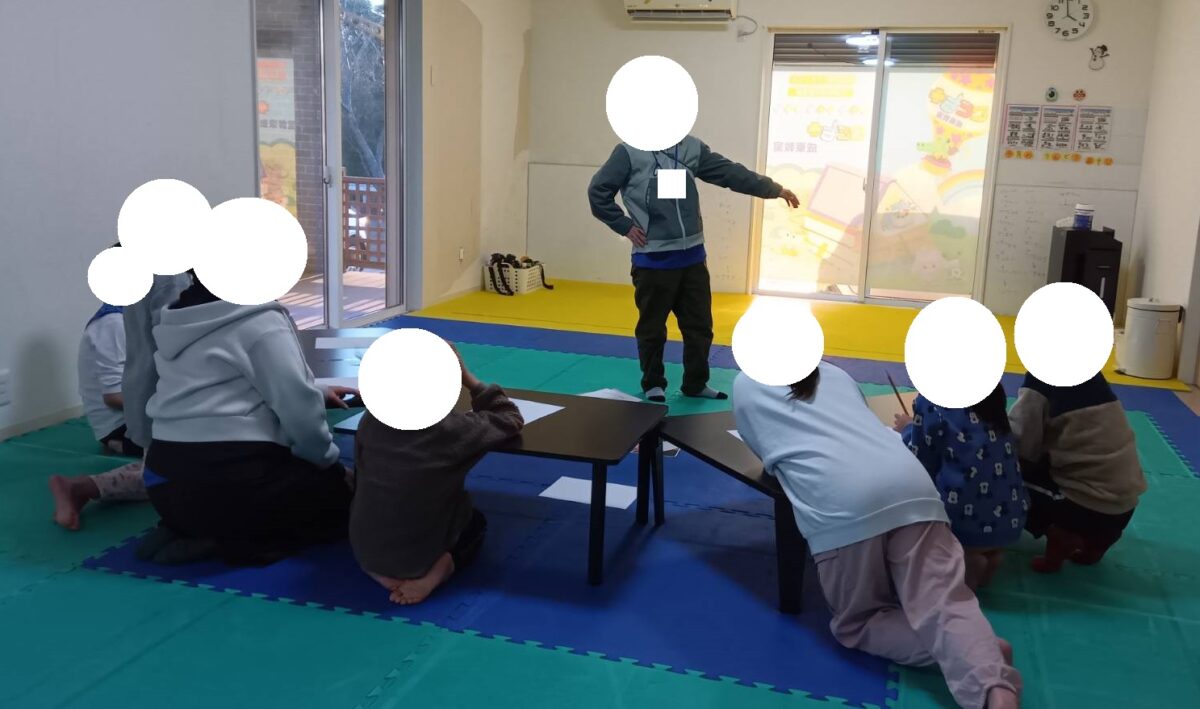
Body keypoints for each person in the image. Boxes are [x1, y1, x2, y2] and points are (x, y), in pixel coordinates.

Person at [733, 362, 1021, 709]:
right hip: (913, 485)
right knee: (944, 602)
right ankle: (985, 668)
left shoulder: (745, 385)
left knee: (859, 622)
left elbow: (766, 455)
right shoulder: (835, 373)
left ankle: (977, 656)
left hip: (845, 505)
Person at [139, 270, 354, 565]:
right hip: (233, 485)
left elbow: (222, 383)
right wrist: (330, 467)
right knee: (345, 505)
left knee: (210, 493)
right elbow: (301, 416)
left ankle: (185, 529)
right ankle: (231, 541)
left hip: (164, 484)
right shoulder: (261, 320)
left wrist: (318, 390)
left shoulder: (177, 317)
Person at [588, 135, 799, 402]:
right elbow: (598, 192)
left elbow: (729, 172)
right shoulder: (629, 152)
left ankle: (696, 383)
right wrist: (624, 225)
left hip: (693, 259)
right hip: (653, 261)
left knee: (700, 327)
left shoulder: (690, 147)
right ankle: (653, 383)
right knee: (652, 329)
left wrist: (773, 189)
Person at [350, 351, 524, 605]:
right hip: (418, 557)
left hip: (365, 552)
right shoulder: (453, 431)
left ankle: (379, 570)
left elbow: (359, 471)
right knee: (475, 521)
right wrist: (470, 380)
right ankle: (440, 569)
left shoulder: (370, 421)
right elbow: (510, 418)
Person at [1007, 371, 1146, 573]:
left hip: (1083, 505)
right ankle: (1095, 546)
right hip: (1124, 505)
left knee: (1000, 476)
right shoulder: (1094, 380)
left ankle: (1060, 544)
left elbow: (1021, 443)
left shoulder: (1041, 382)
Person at [894, 384, 1030, 589]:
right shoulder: (992, 391)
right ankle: (992, 554)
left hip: (965, 526)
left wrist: (907, 429)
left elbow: (921, 457)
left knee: (907, 496)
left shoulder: (931, 401)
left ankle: (969, 560)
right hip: (1012, 517)